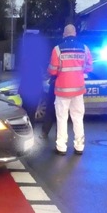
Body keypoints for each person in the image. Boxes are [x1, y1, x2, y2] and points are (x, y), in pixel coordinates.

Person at [47, 24, 93, 155]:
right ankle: (79, 146)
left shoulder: (57, 49)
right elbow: (89, 68)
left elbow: (52, 70)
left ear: (64, 34)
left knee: (62, 118)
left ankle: (61, 147)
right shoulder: (84, 49)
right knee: (78, 118)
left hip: (62, 90)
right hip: (78, 90)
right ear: (75, 33)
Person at [39, 74, 56, 139]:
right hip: (54, 88)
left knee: (60, 116)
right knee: (50, 111)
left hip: (61, 90)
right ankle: (45, 132)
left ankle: (59, 136)